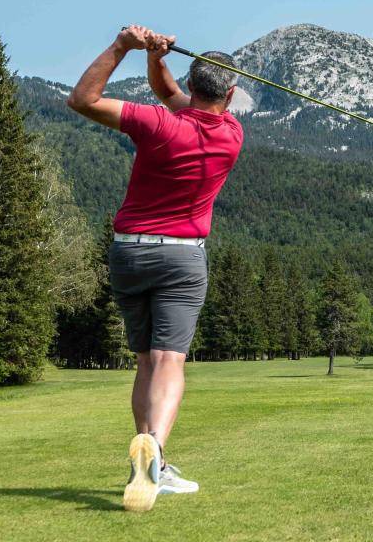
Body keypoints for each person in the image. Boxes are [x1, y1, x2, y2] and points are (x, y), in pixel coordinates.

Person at [66, 25, 244, 512]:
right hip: (182, 257)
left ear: (194, 84)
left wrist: (127, 47)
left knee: (145, 361)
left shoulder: (157, 124)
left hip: (129, 252)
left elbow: (82, 99)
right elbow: (173, 94)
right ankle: (156, 456)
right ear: (228, 94)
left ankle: (145, 460)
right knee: (169, 361)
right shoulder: (231, 134)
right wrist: (154, 58)